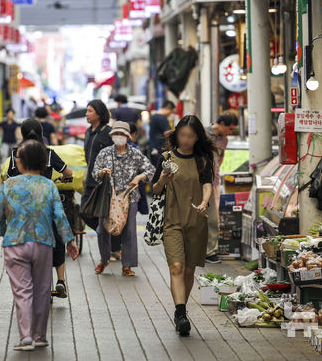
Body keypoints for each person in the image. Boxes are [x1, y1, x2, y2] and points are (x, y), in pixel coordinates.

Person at [0, 140, 79, 351]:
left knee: (22, 290)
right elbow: (59, 216)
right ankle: (40, 336)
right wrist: (69, 240)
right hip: (43, 243)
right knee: (43, 290)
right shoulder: (49, 185)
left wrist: (4, 232)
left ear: (21, 163)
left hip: (15, 243)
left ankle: (25, 337)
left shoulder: (9, 185)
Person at [151, 115, 215, 336]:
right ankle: (180, 313)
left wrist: (205, 202)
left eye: (190, 136)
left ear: (197, 138)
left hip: (196, 221)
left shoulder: (202, 161)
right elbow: (155, 190)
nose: (185, 139)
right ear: (176, 134)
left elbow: (207, 184)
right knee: (176, 267)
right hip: (172, 222)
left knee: (189, 271)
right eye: (182, 135)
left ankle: (182, 310)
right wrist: (162, 181)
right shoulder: (166, 158)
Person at [3, 118, 74, 299]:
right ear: (42, 133)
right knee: (58, 239)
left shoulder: (15, 154)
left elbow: (9, 178)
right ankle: (60, 280)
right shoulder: (48, 153)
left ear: (22, 134)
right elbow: (68, 173)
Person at [92, 121, 155, 276]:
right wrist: (102, 173)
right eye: (116, 134)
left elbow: (151, 169)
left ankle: (127, 265)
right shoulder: (105, 153)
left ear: (128, 136)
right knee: (102, 229)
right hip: (108, 198)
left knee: (129, 231)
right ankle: (104, 259)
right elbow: (94, 172)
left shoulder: (135, 153)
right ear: (112, 136)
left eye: (122, 134)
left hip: (130, 197)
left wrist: (139, 177)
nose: (119, 137)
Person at [205, 113, 239, 264]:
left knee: (213, 219)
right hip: (198, 182)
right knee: (195, 218)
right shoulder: (203, 134)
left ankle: (210, 251)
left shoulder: (224, 140)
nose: (230, 133)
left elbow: (221, 157)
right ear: (222, 124)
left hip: (214, 183)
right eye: (230, 129)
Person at [81, 100, 113, 231]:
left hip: (104, 182)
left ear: (99, 114)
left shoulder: (109, 132)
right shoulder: (88, 132)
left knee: (103, 214)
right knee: (84, 211)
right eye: (87, 110)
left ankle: (111, 242)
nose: (86, 114)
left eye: (90, 111)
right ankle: (103, 232)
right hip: (90, 180)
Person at [128, 122, 149, 215]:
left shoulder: (113, 149)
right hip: (134, 186)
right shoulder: (135, 148)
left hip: (118, 190)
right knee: (131, 216)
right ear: (134, 134)